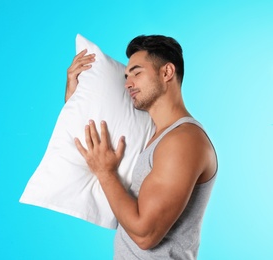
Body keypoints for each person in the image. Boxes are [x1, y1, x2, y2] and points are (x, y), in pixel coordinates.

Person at [65, 35, 217, 259]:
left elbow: (146, 235)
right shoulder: (151, 132)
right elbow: (89, 133)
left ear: (166, 73)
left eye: (137, 73)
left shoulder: (184, 140)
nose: (127, 83)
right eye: (126, 76)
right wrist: (74, 91)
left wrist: (106, 173)